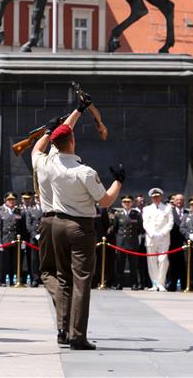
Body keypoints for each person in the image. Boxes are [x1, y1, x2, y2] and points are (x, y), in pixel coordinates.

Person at [46, 114, 123, 350]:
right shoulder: (85, 172)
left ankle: (63, 330)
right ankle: (77, 336)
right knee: (81, 281)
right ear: (72, 141)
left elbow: (55, 141)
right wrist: (119, 180)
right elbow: (106, 200)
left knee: (63, 279)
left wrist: (73, 115)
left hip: (58, 224)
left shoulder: (51, 163)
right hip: (80, 227)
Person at [31, 109, 82, 330]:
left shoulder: (42, 163)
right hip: (70, 221)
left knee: (48, 272)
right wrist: (79, 110)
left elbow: (36, 148)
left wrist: (47, 131)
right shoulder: (72, 167)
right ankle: (67, 320)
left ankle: (64, 314)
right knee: (66, 273)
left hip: (49, 221)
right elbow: (65, 133)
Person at [142, 188, 173, 292]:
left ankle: (161, 283)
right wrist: (152, 233)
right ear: (151, 197)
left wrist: (162, 233)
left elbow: (170, 223)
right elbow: (145, 223)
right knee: (152, 262)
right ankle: (154, 284)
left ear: (161, 197)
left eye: (157, 196)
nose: (156, 198)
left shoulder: (167, 208)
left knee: (163, 261)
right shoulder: (146, 209)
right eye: (154, 197)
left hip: (163, 238)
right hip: (151, 238)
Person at [110, 195, 142, 291]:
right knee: (120, 265)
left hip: (133, 243)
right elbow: (115, 229)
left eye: (129, 202)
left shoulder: (136, 214)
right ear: (122, 203)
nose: (127, 204)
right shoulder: (118, 214)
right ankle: (119, 284)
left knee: (133, 266)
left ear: (132, 203)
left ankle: (134, 284)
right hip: (121, 243)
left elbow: (139, 229)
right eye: (125, 202)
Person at [0, 193, 22, 285]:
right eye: (9, 200)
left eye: (13, 200)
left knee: (14, 262)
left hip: (16, 240)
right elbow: (0, 229)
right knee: (4, 262)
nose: (11, 202)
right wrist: (0, 242)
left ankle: (12, 280)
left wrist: (22, 241)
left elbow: (22, 228)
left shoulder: (19, 211)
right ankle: (2, 280)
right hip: (5, 240)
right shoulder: (1, 211)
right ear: (6, 202)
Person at [167, 193, 187, 291]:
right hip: (173, 243)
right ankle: (172, 284)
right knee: (173, 265)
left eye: (181, 200)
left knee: (184, 264)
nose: (179, 202)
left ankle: (184, 285)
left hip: (185, 243)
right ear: (174, 202)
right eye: (177, 200)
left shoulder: (188, 213)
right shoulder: (170, 212)